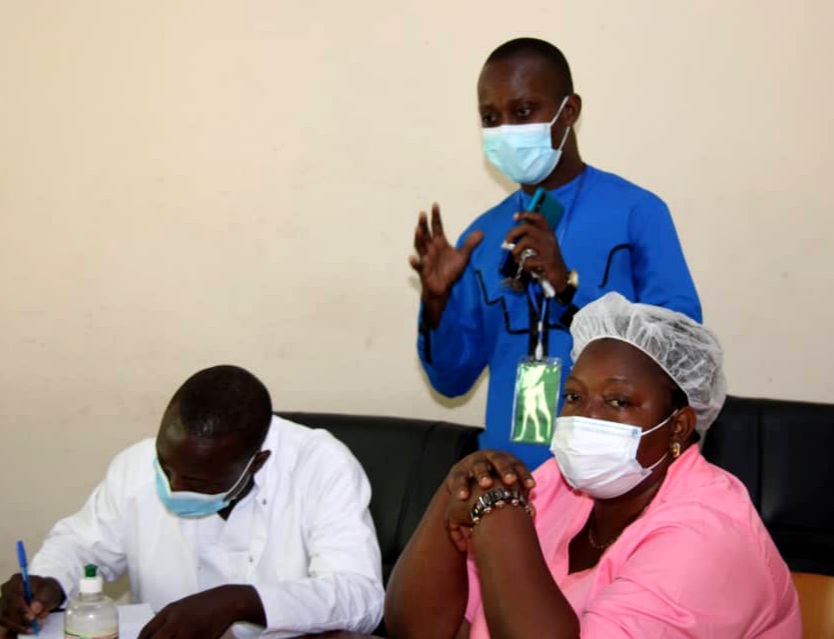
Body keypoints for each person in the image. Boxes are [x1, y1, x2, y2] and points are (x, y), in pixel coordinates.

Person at [386, 293, 801, 637]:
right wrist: (452, 496)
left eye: (619, 402)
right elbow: (418, 630)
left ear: (678, 426)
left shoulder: (708, 535)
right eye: (574, 397)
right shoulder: (555, 485)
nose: (587, 417)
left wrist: (497, 515)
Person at [411, 37, 701, 470]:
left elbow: (682, 350)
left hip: (616, 476)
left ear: (570, 111)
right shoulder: (481, 235)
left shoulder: (637, 213)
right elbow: (451, 381)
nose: (506, 129)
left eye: (523, 112)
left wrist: (569, 288)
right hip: (513, 476)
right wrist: (436, 305)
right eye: (491, 118)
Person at [0, 365, 384, 639]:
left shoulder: (320, 465)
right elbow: (79, 545)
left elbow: (360, 598)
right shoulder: (134, 466)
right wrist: (47, 582)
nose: (174, 486)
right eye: (165, 467)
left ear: (257, 462)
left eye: (197, 480)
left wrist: (241, 602)